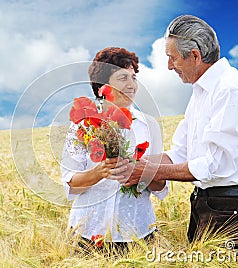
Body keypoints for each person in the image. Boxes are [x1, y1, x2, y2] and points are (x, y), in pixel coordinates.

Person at [117, 15, 238, 251]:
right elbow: (179, 153)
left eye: (172, 58)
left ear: (195, 55)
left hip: (232, 206)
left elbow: (213, 165)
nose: (168, 66)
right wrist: (131, 163)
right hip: (206, 203)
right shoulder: (200, 93)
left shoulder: (229, 89)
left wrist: (146, 170)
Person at [60, 47, 168, 253]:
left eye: (134, 78)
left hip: (137, 234)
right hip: (87, 234)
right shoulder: (81, 126)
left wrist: (140, 171)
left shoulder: (149, 126)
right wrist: (100, 171)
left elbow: (160, 185)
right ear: (102, 85)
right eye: (122, 78)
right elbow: (71, 183)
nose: (132, 85)